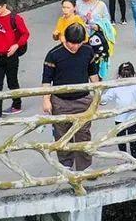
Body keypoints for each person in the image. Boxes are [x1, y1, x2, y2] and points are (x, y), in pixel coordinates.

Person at [41, 22, 100, 171]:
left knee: (83, 134)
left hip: (83, 99)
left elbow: (93, 74)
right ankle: (66, 164)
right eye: (71, 43)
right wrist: (46, 100)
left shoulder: (87, 51)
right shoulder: (54, 54)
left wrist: (97, 96)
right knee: (62, 134)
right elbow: (46, 80)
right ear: (65, 39)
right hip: (61, 101)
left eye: (78, 43)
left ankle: (85, 166)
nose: (75, 47)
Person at [104, 61, 136, 159]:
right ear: (119, 75)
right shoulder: (116, 86)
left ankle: (134, 157)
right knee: (121, 139)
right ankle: (123, 157)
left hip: (133, 116)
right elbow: (107, 97)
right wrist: (100, 99)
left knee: (133, 138)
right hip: (120, 117)